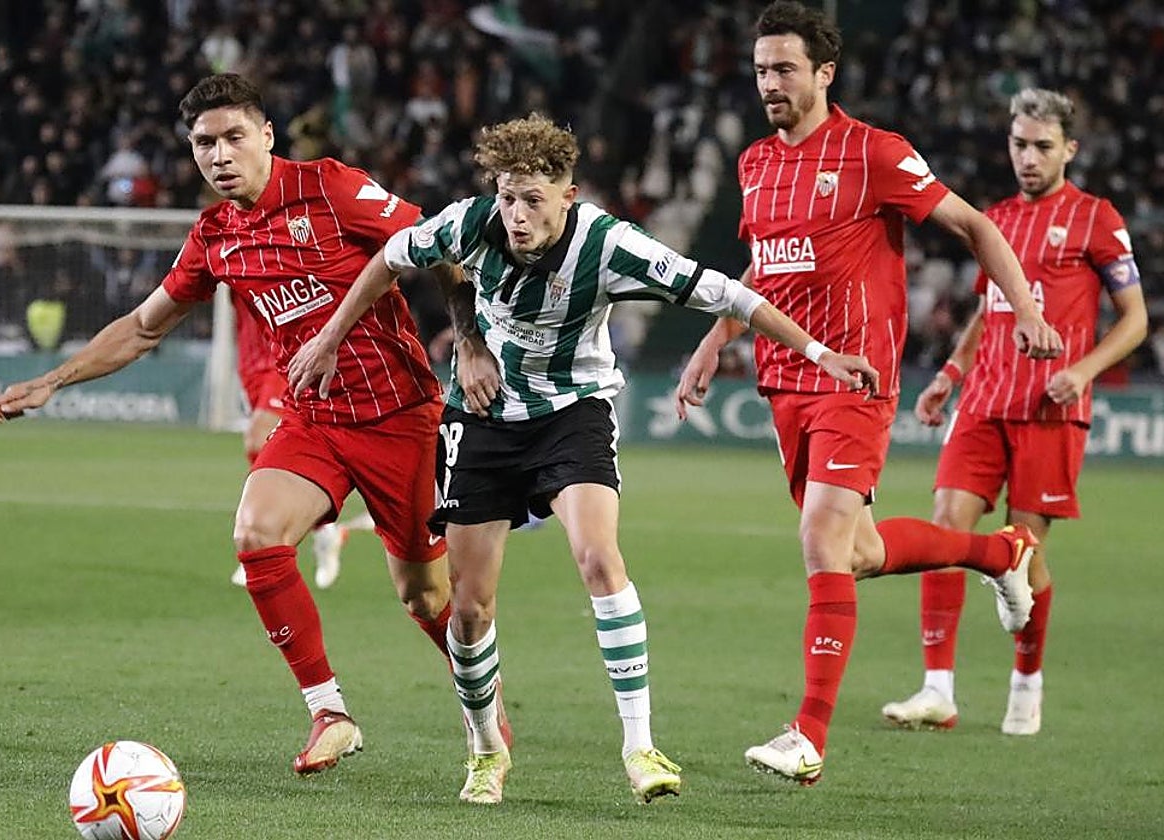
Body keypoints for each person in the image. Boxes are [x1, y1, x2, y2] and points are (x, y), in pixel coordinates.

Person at [286, 113, 878, 805]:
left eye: (533, 198)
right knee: (470, 608)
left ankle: (640, 747)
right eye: (507, 196)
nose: (516, 214)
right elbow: (390, 258)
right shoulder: (468, 223)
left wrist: (818, 353)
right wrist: (341, 337)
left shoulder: (609, 243)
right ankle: (485, 750)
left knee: (599, 557)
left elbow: (727, 291)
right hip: (484, 418)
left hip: (574, 415)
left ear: (569, 195)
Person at [0, 73, 511, 776]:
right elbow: (144, 328)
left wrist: (469, 340)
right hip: (313, 421)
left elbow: (439, 246)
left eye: (234, 136)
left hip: (401, 417)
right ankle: (330, 712)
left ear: (267, 135)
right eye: (204, 142)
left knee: (424, 595)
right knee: (255, 533)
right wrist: (53, 380)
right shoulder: (214, 235)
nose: (219, 154)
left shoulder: (331, 187)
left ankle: (485, 707)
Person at [673, 1, 1063, 785]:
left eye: (785, 69)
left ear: (824, 72)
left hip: (856, 381)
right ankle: (1002, 553)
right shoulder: (753, 163)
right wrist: (717, 339)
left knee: (820, 540)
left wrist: (1024, 309)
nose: (770, 84)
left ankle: (808, 733)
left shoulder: (873, 153)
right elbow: (768, 271)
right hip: (784, 386)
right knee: (859, 552)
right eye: (760, 70)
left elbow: (977, 226)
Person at [882, 88, 1147, 736]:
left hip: (1049, 410)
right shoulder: (994, 216)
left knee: (1023, 551)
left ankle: (1026, 683)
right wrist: (950, 373)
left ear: (1069, 150)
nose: (1028, 157)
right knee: (945, 528)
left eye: (1042, 147)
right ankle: (937, 689)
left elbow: (1135, 319)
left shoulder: (1096, 218)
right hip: (983, 401)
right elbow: (987, 311)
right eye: (1019, 144)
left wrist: (1083, 371)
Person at [227, 295, 375, 590]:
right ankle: (322, 532)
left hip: (286, 350)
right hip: (251, 356)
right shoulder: (221, 251)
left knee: (257, 437)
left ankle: (264, 548)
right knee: (269, 441)